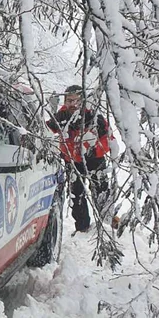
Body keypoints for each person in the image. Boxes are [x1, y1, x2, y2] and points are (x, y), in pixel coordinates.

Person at [47, 85, 112, 232]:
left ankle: (108, 228)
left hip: (95, 160)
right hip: (72, 162)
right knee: (76, 196)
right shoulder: (61, 116)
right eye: (69, 101)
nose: (73, 104)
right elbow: (45, 131)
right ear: (65, 101)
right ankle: (82, 229)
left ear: (83, 101)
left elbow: (109, 138)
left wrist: (94, 150)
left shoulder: (93, 116)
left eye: (76, 101)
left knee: (101, 192)